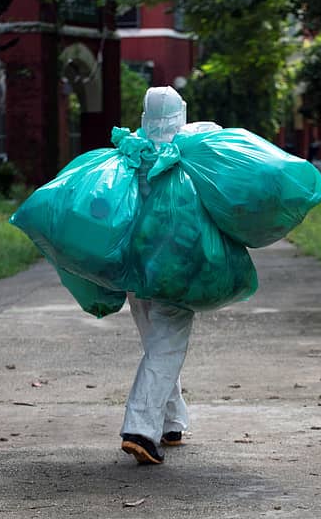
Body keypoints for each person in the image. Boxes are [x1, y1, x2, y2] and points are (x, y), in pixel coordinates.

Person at [120, 86, 194, 465]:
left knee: (158, 343)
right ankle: (139, 429)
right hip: (177, 266)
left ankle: (172, 423)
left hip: (136, 269)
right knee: (167, 346)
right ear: (181, 112)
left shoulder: (130, 150)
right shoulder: (194, 144)